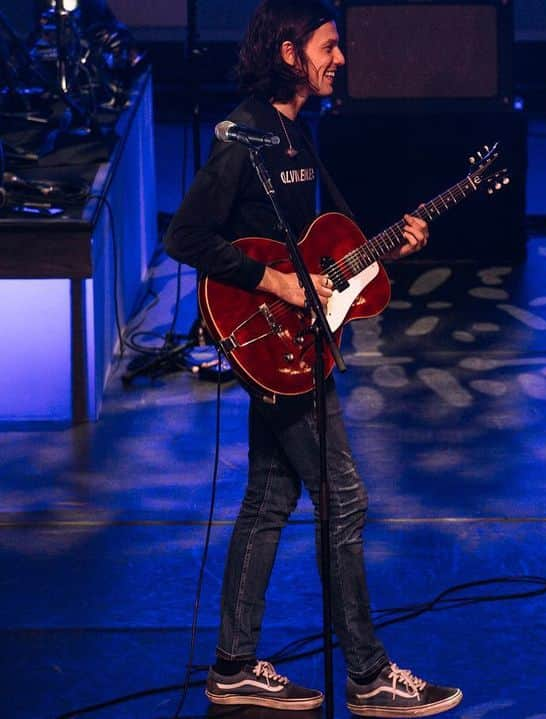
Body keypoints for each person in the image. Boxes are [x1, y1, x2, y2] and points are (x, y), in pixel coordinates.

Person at [164, 1, 461, 715]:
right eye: (331, 46)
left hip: (295, 345)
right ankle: (368, 674)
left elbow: (320, 259)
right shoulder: (246, 138)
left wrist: (384, 250)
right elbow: (187, 236)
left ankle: (233, 663)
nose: (342, 59)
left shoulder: (299, 134)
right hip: (270, 341)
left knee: (269, 498)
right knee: (345, 499)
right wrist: (277, 282)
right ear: (292, 52)